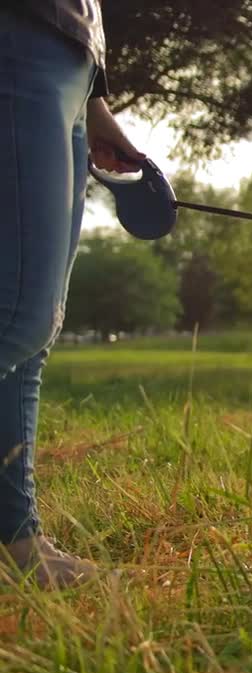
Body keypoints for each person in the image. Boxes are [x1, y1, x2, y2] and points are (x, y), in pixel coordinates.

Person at [2, 1, 145, 588]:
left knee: (34, 338)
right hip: (19, 39)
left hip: (69, 58)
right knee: (17, 318)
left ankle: (18, 541)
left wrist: (93, 98)